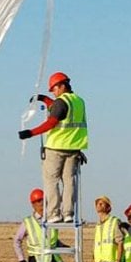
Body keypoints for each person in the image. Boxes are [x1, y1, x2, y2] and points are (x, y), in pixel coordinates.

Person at [18, 71, 88, 223]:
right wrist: (44, 99)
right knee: (69, 181)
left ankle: (54, 213)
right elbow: (59, 109)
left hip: (56, 148)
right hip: (74, 149)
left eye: (54, 89)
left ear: (62, 86)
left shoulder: (61, 102)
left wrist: (30, 133)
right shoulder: (78, 101)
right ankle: (68, 213)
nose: (54, 92)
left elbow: (52, 122)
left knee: (51, 180)